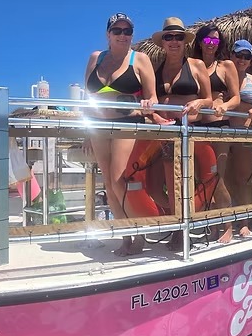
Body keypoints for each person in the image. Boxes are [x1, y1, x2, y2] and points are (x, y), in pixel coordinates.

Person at [84, 13, 165, 256]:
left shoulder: (140, 59)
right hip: (97, 125)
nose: (122, 35)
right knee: (108, 184)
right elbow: (88, 99)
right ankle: (125, 236)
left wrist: (149, 105)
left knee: (120, 180)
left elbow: (153, 97)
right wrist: (85, 132)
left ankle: (138, 232)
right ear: (108, 34)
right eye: (117, 31)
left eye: (127, 31)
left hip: (127, 123)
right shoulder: (95, 58)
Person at [153, 17, 213, 247]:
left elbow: (207, 98)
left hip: (191, 131)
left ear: (184, 41)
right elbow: (151, 99)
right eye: (169, 37)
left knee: (189, 180)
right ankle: (177, 224)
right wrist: (156, 116)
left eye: (179, 37)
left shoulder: (196, 65)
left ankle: (188, 227)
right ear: (163, 42)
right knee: (169, 181)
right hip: (166, 133)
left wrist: (198, 103)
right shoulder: (156, 67)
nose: (174, 41)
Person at [192, 24, 240, 243]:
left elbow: (236, 97)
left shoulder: (226, 65)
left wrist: (225, 107)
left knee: (218, 177)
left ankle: (228, 225)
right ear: (200, 42)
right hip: (198, 127)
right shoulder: (193, 65)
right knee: (203, 179)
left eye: (216, 41)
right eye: (208, 40)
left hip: (220, 126)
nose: (212, 44)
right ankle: (212, 223)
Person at [228, 39, 252, 237]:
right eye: (239, 55)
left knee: (243, 180)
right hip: (223, 133)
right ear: (231, 55)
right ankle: (225, 223)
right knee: (223, 179)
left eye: (246, 57)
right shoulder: (222, 74)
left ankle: (244, 222)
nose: (242, 60)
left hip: (244, 133)